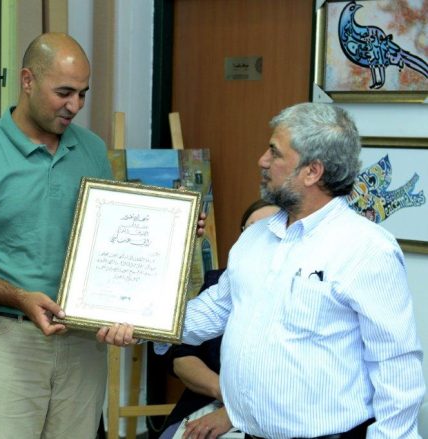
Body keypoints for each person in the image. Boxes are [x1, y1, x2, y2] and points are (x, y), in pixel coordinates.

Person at [111, 102, 426, 438]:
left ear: (312, 172)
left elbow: (396, 365)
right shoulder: (255, 238)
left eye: (275, 153)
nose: (262, 160)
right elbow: (214, 310)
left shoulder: (367, 249)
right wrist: (140, 323)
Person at [0, 33, 136, 438]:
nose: (75, 106)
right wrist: (20, 298)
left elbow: (113, 238)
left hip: (83, 342)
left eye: (82, 94)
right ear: (27, 80)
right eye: (64, 92)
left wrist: (173, 236)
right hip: (6, 341)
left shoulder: (93, 150)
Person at [159, 200, 279, 439]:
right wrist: (227, 396)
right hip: (210, 403)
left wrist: (235, 411)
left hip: (278, 415)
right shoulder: (222, 283)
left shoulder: (304, 282)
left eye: (268, 228)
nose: (259, 238)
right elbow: (182, 354)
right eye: (251, 229)